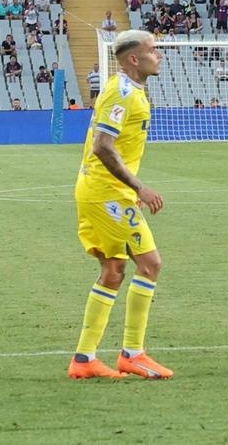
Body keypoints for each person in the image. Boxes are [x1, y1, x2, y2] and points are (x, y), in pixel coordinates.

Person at [68, 30, 173, 381]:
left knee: (114, 270)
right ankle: (132, 353)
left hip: (110, 193)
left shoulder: (132, 90)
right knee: (149, 264)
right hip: (106, 193)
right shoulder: (121, 91)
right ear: (133, 58)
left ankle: (85, 359)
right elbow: (102, 146)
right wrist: (138, 187)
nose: (158, 55)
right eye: (153, 50)